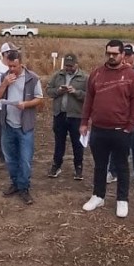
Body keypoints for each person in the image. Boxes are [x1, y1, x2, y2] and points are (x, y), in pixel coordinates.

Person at [80, 40, 134, 218]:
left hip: (121, 130)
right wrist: (84, 122)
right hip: (99, 129)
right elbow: (89, 100)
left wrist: (130, 127)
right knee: (100, 165)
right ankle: (98, 196)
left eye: (115, 54)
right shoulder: (97, 74)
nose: (111, 56)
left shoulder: (131, 76)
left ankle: (122, 200)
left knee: (122, 166)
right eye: (109, 53)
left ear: (123, 55)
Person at [0, 50, 44, 204]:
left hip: (25, 126)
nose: (12, 69)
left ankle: (24, 187)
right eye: (9, 66)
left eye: (14, 66)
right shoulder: (4, 77)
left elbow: (39, 99)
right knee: (10, 158)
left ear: (21, 63)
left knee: (25, 159)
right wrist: (5, 84)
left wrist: (26, 104)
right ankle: (15, 183)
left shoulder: (32, 78)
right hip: (8, 125)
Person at [108, 44, 134, 189]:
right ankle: (112, 172)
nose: (126, 58)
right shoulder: (116, 70)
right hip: (119, 113)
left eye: (129, 55)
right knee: (115, 143)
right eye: (124, 54)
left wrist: (128, 71)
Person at [46, 53, 88, 181]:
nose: (68, 68)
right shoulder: (57, 75)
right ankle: (56, 165)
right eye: (66, 66)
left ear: (76, 64)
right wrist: (58, 91)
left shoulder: (84, 78)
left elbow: (89, 96)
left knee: (77, 143)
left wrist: (76, 92)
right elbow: (48, 90)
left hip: (76, 116)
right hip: (60, 114)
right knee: (59, 142)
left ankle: (78, 168)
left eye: (71, 66)